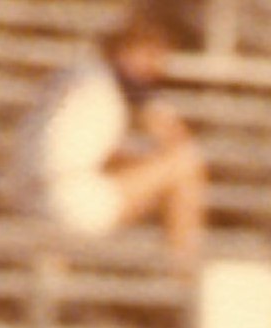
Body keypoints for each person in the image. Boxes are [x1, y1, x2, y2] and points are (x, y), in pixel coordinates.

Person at [15, 8, 208, 262]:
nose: (158, 67)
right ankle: (184, 276)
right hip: (68, 204)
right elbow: (177, 141)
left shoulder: (76, 74)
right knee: (184, 163)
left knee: (150, 168)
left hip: (27, 197)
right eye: (153, 55)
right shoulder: (108, 88)